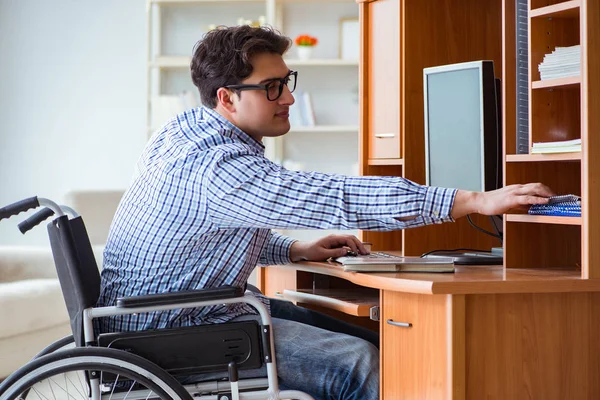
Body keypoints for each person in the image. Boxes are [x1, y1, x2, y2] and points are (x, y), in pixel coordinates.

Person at [96, 25, 554, 399]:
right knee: (361, 363)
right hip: (174, 332)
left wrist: (294, 248)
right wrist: (473, 201)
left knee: (381, 339)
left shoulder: (186, 130)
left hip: (177, 315)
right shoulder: (217, 166)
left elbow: (204, 237)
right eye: (271, 88)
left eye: (287, 83)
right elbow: (335, 196)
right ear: (227, 97)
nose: (288, 98)